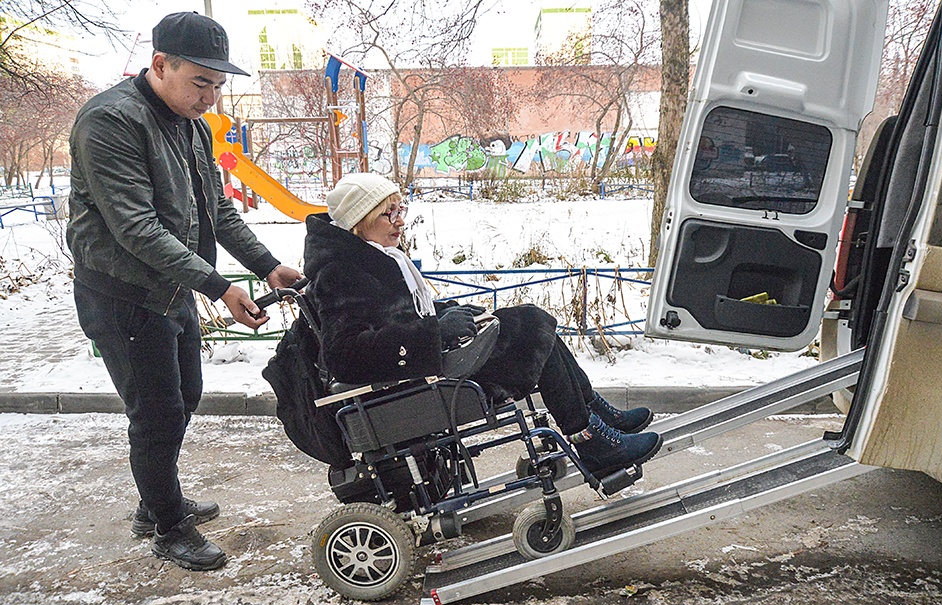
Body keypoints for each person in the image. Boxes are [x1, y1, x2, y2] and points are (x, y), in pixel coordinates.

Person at [66, 12, 302, 571]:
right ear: (160, 65)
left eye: (219, 86)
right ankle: (167, 525)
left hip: (170, 287)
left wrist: (267, 266)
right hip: (123, 293)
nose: (211, 97)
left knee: (185, 395)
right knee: (156, 411)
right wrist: (219, 287)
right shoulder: (110, 123)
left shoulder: (193, 126)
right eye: (201, 82)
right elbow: (136, 228)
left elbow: (216, 210)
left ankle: (157, 499)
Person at [302, 173, 662, 475]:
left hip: (425, 367)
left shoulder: (373, 256)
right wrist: (435, 331)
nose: (399, 220)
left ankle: (596, 418)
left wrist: (448, 312)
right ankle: (591, 438)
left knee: (533, 322)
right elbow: (344, 354)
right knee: (531, 326)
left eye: (400, 209)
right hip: (412, 386)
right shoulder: (341, 272)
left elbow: (401, 312)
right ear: (359, 221)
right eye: (388, 213)